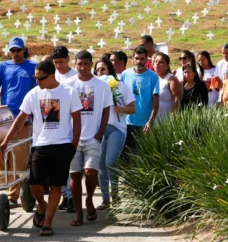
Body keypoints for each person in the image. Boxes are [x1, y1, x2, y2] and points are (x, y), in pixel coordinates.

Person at [0, 60, 81, 237]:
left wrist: (74, 144)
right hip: (40, 145)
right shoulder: (33, 94)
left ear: (52, 76)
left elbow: (77, 119)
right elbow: (20, 119)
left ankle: (48, 222)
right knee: (35, 184)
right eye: (35, 78)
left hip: (62, 144)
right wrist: (6, 140)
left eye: (40, 78)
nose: (37, 82)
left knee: (55, 185)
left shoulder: (69, 92)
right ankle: (42, 206)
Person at [0, 37, 36, 208]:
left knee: (19, 153)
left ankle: (13, 194)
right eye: (12, 50)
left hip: (24, 117)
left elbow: (36, 91)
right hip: (3, 117)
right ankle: (10, 184)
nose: (15, 54)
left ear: (23, 50)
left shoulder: (32, 67)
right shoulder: (3, 67)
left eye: (18, 50)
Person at [64, 50, 113, 227]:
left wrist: (100, 133)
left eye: (86, 64)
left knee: (90, 172)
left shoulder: (101, 85)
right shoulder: (68, 85)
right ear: (75, 64)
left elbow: (107, 109)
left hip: (93, 137)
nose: (83, 67)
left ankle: (90, 199)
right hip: (73, 138)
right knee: (75, 176)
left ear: (91, 65)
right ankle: (78, 213)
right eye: (79, 64)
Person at [93, 59, 135, 210]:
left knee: (110, 162)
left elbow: (132, 109)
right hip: (99, 129)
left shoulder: (121, 86)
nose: (100, 73)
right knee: (101, 165)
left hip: (116, 129)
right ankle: (105, 200)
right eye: (97, 70)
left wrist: (119, 109)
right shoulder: (95, 88)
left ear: (109, 70)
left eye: (103, 69)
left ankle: (115, 194)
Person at [51, 45, 77, 212]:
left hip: (71, 122)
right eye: (56, 63)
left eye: (61, 62)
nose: (59, 66)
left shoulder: (75, 76)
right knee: (57, 164)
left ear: (68, 59)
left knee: (70, 164)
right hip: (54, 122)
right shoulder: (52, 75)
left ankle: (71, 197)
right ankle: (63, 195)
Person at [120, 46, 159, 149]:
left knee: (140, 155)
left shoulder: (153, 76)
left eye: (142, 59)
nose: (139, 61)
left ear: (146, 60)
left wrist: (150, 122)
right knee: (124, 155)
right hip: (126, 122)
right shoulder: (125, 74)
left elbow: (156, 103)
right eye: (137, 58)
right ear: (133, 59)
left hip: (144, 124)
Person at [152, 52, 182, 120]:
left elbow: (177, 100)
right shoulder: (153, 77)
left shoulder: (172, 80)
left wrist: (172, 118)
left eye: (161, 63)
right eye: (156, 61)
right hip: (153, 120)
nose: (157, 64)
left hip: (166, 120)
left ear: (167, 65)